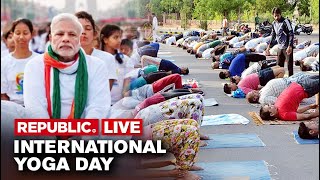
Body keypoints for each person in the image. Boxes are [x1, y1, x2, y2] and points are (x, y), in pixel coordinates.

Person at [23, 13, 110, 119]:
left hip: (86, 130)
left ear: (79, 39)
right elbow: (35, 108)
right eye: (59, 34)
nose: (65, 39)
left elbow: (98, 107)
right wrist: (48, 135)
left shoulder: (97, 66)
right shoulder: (34, 66)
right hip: (45, 131)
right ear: (50, 38)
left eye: (72, 34)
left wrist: (85, 134)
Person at [75, 11, 117, 90]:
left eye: (88, 28)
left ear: (94, 34)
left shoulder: (107, 58)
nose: (83, 32)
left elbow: (105, 92)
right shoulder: (65, 59)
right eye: (79, 28)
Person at [1, 18, 39, 106]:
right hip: (12, 109)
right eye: (18, 33)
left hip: (36, 109)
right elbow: (2, 94)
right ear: (12, 34)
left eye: (25, 33)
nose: (21, 37)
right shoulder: (4, 62)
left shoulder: (39, 60)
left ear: (32, 34)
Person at [100, 24, 134, 105]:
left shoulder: (125, 60)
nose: (119, 40)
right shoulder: (96, 59)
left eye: (120, 37)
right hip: (100, 104)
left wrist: (123, 102)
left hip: (117, 104)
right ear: (105, 39)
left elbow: (126, 84)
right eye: (115, 37)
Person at [246, 72, 316, 104]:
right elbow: (278, 100)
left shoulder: (261, 92)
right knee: (312, 80)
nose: (254, 91)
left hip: (288, 80)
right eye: (253, 93)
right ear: (255, 98)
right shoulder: (263, 99)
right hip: (291, 84)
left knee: (304, 74)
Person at [265, 7, 294, 76]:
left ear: (280, 14)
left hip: (287, 47)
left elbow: (291, 33)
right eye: (275, 16)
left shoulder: (286, 21)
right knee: (278, 66)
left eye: (278, 15)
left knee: (289, 66)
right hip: (280, 47)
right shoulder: (274, 23)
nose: (276, 17)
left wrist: (290, 45)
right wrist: (269, 46)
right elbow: (273, 35)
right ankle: (279, 81)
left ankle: (291, 81)